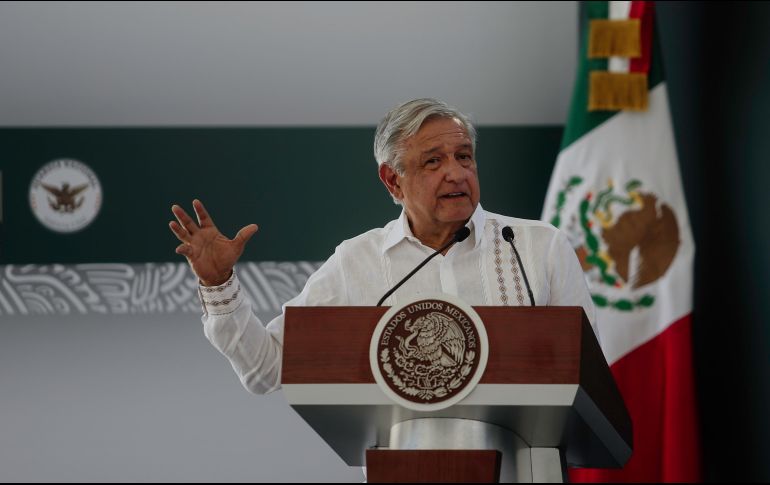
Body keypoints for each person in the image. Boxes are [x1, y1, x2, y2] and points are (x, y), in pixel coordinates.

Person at [169, 98, 597, 395]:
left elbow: (591, 376)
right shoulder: (357, 263)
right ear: (392, 180)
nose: (456, 174)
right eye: (434, 161)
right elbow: (265, 369)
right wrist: (219, 284)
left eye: (464, 156)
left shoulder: (538, 248)